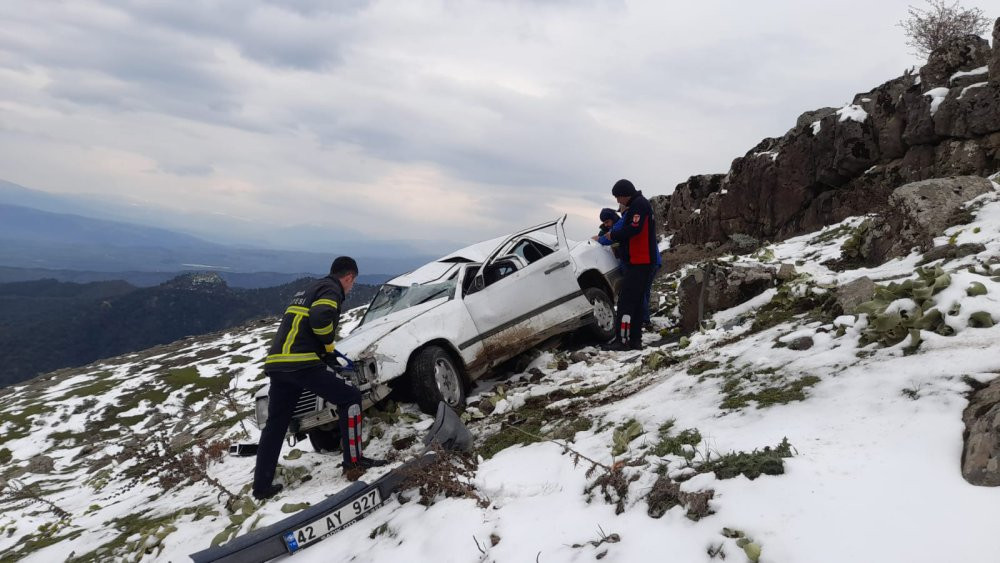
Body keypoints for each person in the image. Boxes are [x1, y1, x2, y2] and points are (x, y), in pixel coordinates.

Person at [252, 256, 386, 500]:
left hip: (278, 365)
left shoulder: (308, 289)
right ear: (349, 277)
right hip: (302, 363)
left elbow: (302, 324)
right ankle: (353, 462)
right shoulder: (331, 289)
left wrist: (325, 352)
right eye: (352, 283)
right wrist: (326, 346)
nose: (351, 287)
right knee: (351, 398)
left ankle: (261, 487)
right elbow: (321, 318)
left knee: (276, 425)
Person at [604, 179, 657, 351]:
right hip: (640, 261)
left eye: (618, 197)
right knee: (634, 301)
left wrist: (613, 235)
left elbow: (634, 229)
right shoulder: (637, 204)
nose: (618, 201)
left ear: (625, 194)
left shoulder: (639, 205)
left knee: (626, 301)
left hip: (640, 262)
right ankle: (635, 340)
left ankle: (623, 340)